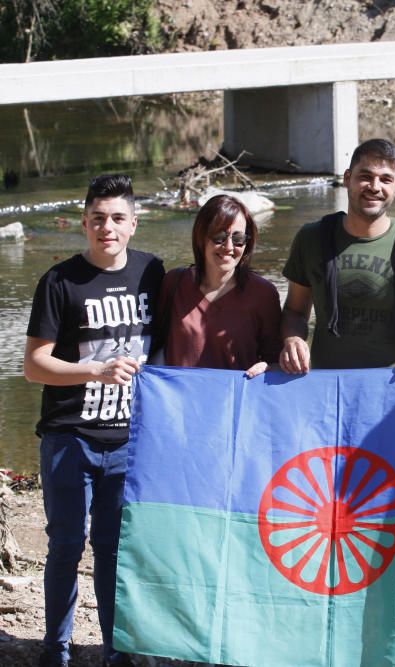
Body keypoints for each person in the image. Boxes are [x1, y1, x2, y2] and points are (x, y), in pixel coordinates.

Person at [23, 174, 164, 667]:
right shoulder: (59, 281)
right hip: (69, 437)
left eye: (118, 219)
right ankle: (55, 648)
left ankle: (114, 647)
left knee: (111, 548)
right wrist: (95, 371)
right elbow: (33, 366)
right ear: (85, 222)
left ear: (134, 224)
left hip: (128, 440)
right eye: (99, 218)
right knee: (65, 544)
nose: (108, 227)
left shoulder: (154, 273)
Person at [279, 138, 395, 373]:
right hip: (328, 385)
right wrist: (293, 340)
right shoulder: (312, 238)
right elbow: (295, 312)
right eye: (365, 176)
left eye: (386, 179)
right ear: (347, 179)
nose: (375, 186)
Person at [158, 193, 280, 375]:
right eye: (219, 236)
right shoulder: (173, 284)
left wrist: (270, 368)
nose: (229, 247)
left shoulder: (263, 294)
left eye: (238, 239)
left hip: (236, 400)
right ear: (201, 237)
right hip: (180, 400)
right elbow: (152, 346)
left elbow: (276, 360)